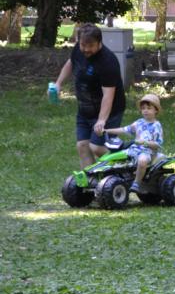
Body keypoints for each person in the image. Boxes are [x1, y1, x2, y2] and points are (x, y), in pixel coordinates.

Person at [52, 24, 126, 168]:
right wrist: (58, 83)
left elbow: (108, 95)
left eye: (91, 45)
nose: (86, 49)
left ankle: (127, 162)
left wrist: (101, 120)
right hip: (85, 109)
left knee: (97, 147)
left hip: (109, 112)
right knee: (83, 146)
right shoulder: (78, 49)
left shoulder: (107, 62)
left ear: (99, 42)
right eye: (83, 45)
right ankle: (90, 181)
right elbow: (71, 62)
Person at [105, 94, 164, 196]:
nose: (145, 111)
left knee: (142, 160)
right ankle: (113, 178)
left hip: (148, 151)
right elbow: (124, 130)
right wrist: (107, 130)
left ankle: (137, 183)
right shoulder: (139, 123)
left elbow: (157, 144)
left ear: (156, 110)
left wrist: (144, 142)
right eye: (143, 108)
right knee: (115, 157)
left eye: (149, 108)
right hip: (133, 149)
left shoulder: (156, 126)